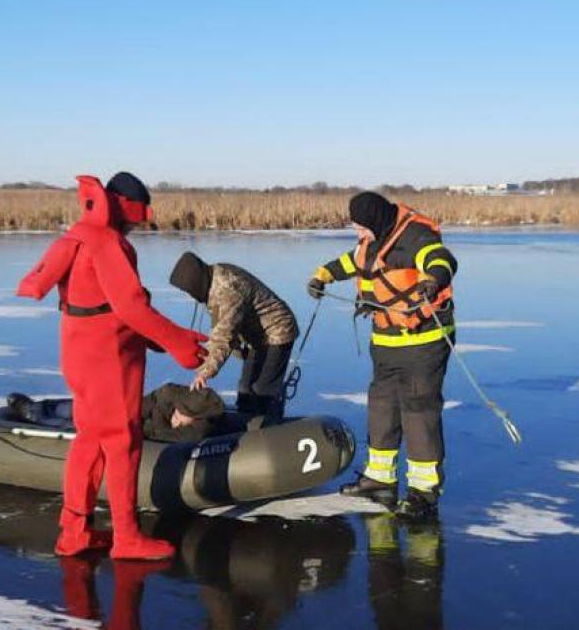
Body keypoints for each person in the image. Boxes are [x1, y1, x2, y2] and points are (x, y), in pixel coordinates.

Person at [17, 172, 207, 559]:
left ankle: (74, 531)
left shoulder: (78, 235)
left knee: (89, 442)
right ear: (127, 211)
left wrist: (154, 337)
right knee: (122, 442)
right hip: (108, 361)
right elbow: (130, 306)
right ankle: (127, 537)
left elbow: (106, 303)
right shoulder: (108, 243)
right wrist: (177, 342)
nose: (137, 228)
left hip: (78, 352)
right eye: (137, 221)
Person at [307, 192, 458, 517]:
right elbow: (353, 262)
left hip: (423, 340)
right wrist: (323, 275)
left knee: (418, 411)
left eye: (361, 227)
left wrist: (433, 280)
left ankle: (423, 492)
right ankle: (379, 478)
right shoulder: (373, 239)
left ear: (375, 220)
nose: (358, 233)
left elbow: (441, 259)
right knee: (382, 407)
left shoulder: (417, 235)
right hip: (387, 341)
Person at [168, 252, 299, 418]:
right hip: (256, 337)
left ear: (195, 283)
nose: (189, 294)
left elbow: (223, 336)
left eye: (188, 290)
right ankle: (245, 424)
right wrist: (237, 350)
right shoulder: (213, 281)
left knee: (262, 389)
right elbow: (222, 325)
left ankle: (271, 427)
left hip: (278, 330)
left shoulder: (227, 289)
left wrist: (205, 372)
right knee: (245, 387)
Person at [6, 385, 227, 444]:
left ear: (197, 418)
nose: (178, 414)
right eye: (179, 409)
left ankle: (35, 418)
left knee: (81, 427)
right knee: (85, 408)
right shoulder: (177, 396)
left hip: (129, 428)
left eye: (184, 415)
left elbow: (157, 434)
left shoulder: (197, 432)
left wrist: (154, 419)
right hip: (126, 412)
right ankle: (36, 408)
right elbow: (154, 399)